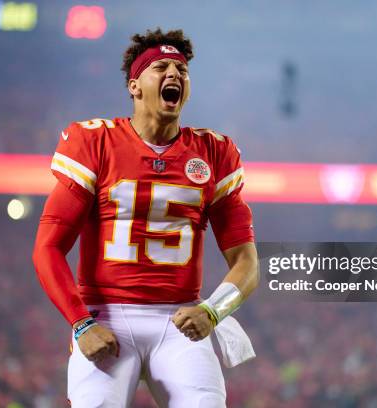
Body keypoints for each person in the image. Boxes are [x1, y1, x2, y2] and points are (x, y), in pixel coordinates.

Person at [32, 28, 258, 408]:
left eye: (182, 70)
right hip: (106, 315)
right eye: (161, 67)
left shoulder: (214, 153)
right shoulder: (95, 143)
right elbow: (47, 248)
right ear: (135, 86)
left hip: (180, 321)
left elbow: (247, 263)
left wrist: (213, 311)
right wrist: (81, 322)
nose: (175, 74)